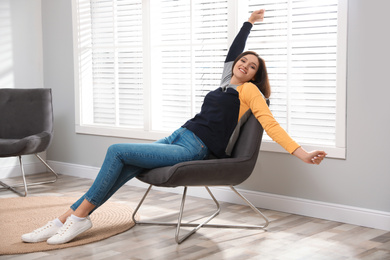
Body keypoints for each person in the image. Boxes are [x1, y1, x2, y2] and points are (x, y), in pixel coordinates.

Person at [21, 9, 326, 245]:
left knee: (116, 151)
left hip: (194, 147)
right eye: (243, 61)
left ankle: (76, 218)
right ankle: (66, 219)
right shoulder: (224, 82)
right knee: (124, 163)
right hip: (179, 135)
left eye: (252, 66)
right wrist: (249, 21)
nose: (244, 65)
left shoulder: (249, 92)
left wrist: (302, 153)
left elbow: (270, 125)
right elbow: (235, 48)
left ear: (255, 75)